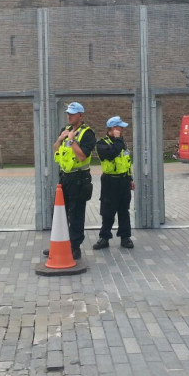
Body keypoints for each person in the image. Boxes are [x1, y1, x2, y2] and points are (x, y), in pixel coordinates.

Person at [51, 102, 96, 260]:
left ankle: (74, 247)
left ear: (80, 115)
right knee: (59, 212)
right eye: (68, 113)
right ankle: (59, 243)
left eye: (72, 113)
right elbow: (56, 149)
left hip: (79, 179)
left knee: (76, 214)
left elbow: (82, 155)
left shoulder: (87, 133)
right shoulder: (66, 130)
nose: (69, 116)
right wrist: (60, 139)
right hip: (65, 177)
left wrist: (71, 141)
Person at [93, 116, 134, 250]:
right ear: (113, 128)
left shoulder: (121, 142)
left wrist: (130, 179)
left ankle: (125, 237)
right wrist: (117, 140)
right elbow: (111, 154)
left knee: (124, 210)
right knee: (108, 211)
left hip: (123, 180)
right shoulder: (101, 144)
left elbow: (126, 162)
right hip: (110, 181)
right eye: (120, 127)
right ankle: (104, 237)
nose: (122, 129)